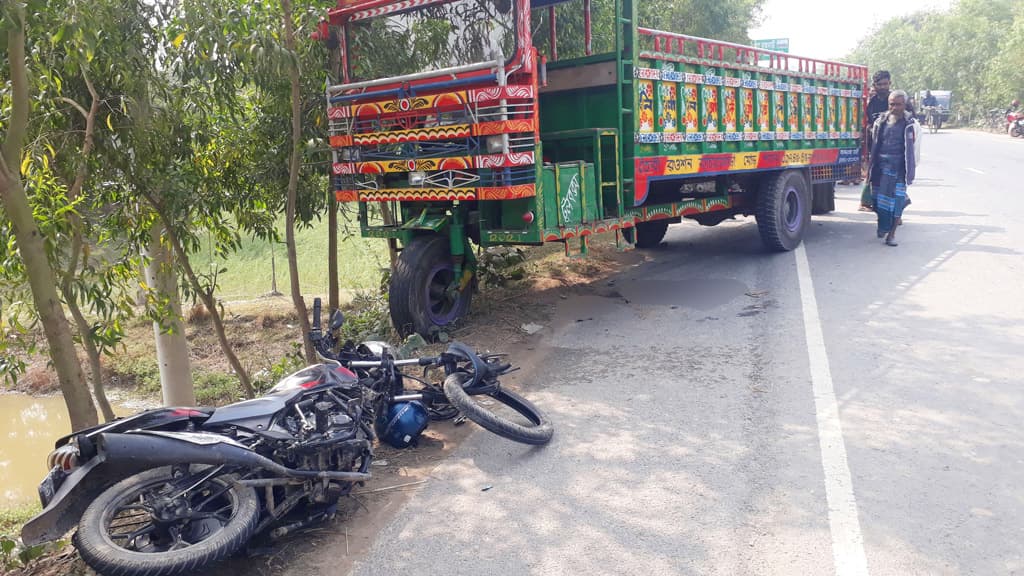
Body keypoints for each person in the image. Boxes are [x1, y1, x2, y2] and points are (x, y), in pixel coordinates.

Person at [868, 90, 916, 246]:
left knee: (897, 202)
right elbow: (874, 144)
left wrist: (912, 169)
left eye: (898, 104)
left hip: (899, 168)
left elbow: (915, 149)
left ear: (905, 104)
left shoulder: (911, 124)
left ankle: (892, 234)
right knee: (878, 201)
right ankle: (882, 226)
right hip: (880, 168)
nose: (895, 107)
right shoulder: (880, 121)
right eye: (892, 104)